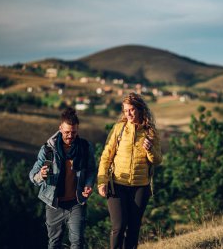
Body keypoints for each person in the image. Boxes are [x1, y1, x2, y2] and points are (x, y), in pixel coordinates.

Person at [97, 92, 163, 249]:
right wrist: (102, 181)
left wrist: (150, 149)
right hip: (117, 184)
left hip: (141, 187)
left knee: (134, 228)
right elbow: (106, 157)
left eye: (131, 110)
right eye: (125, 111)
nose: (128, 114)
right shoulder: (118, 129)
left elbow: (158, 160)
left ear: (140, 109)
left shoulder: (150, 132)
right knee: (119, 226)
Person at [29, 107, 97, 249]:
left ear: (77, 130)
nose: (70, 136)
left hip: (76, 202)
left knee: (77, 242)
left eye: (73, 132)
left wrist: (89, 184)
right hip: (54, 203)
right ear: (60, 128)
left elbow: (91, 170)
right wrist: (41, 175)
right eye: (66, 132)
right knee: (54, 243)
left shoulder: (84, 147)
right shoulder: (48, 150)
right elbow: (32, 176)